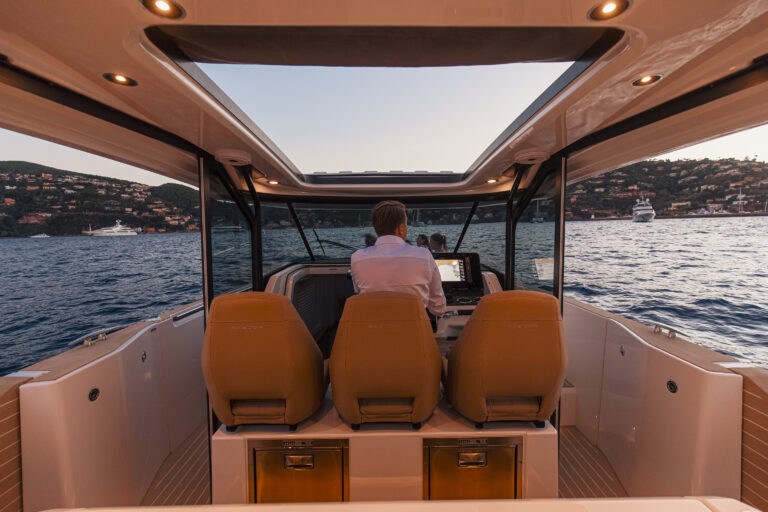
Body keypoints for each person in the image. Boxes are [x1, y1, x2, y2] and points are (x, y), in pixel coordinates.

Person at [350, 200, 446, 316]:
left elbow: (359, 294)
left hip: (373, 326)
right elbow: (438, 309)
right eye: (406, 224)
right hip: (414, 327)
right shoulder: (424, 255)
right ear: (401, 228)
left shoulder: (357, 258)